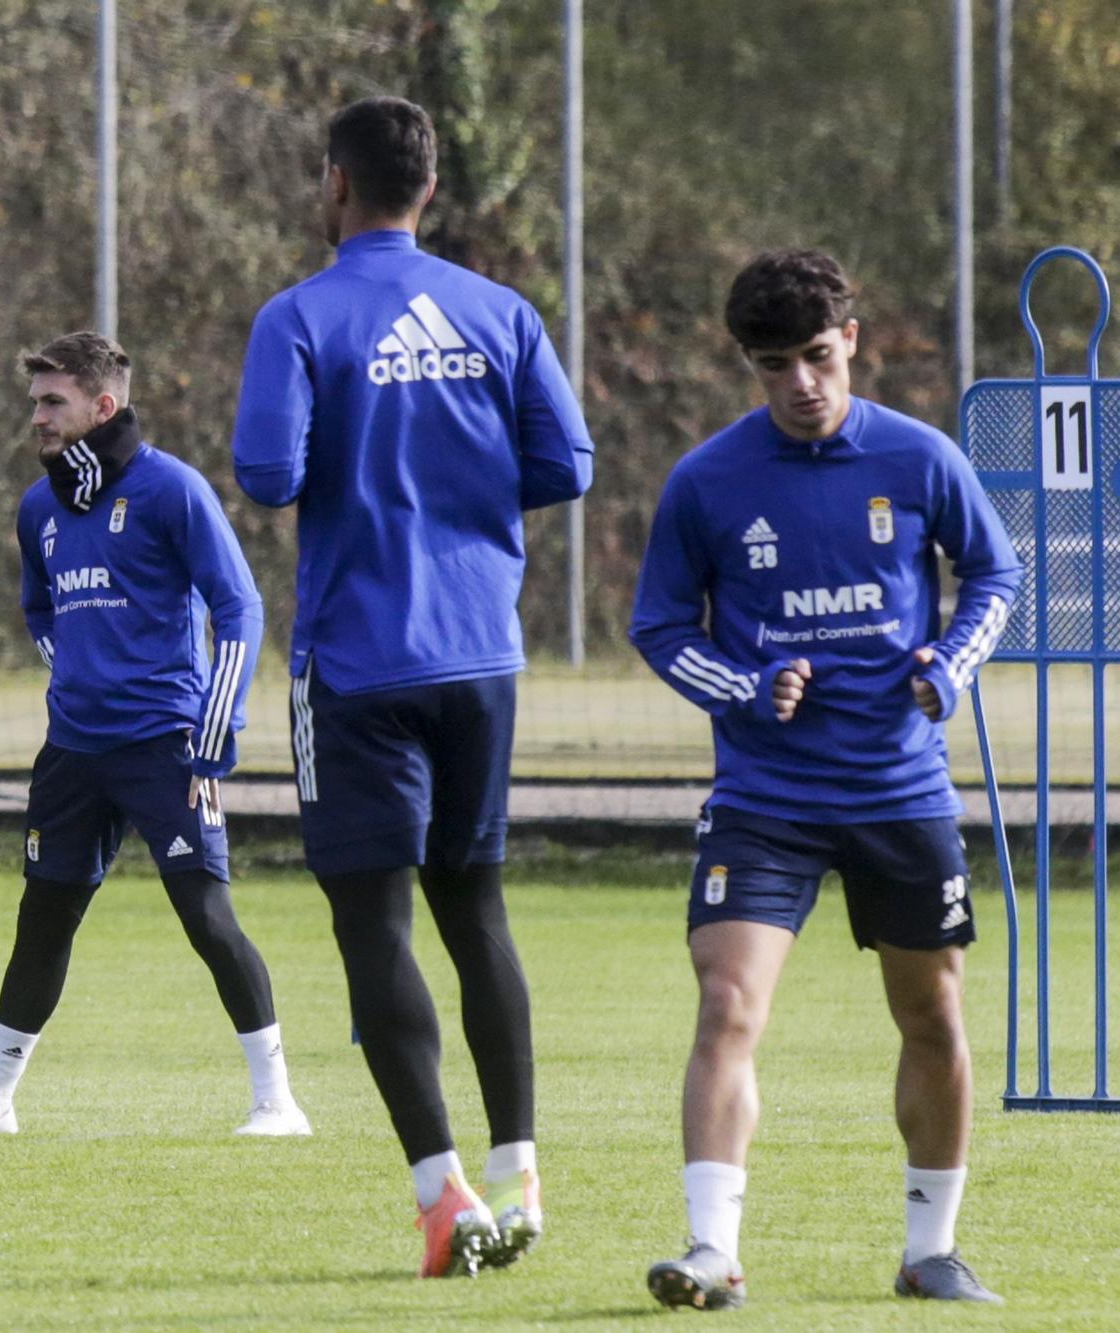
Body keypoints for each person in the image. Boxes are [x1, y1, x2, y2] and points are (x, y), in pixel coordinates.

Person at [230, 96, 595, 1277]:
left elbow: (267, 471)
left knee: (371, 924)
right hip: (479, 653)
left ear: (334, 183)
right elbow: (566, 462)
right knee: (475, 909)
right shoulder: (499, 311)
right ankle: (517, 1167)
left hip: (358, 660)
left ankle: (443, 1202)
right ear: (427, 189)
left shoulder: (299, 316)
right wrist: (458, 488)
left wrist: (365, 459)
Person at [629, 248, 1021, 1307]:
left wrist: (950, 665)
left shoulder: (919, 456)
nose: (799, 383)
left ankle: (928, 1249)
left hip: (897, 787)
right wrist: (744, 689)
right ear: (749, 367)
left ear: (849, 339)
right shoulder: (708, 480)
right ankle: (710, 1248)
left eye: (813, 355)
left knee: (930, 1013)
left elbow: (993, 571)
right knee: (725, 1001)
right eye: (772, 365)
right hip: (764, 799)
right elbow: (659, 625)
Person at [0, 332, 307, 1139]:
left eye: (53, 402)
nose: (36, 416)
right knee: (42, 922)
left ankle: (276, 1102)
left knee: (207, 918)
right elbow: (40, 608)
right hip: (73, 750)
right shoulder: (38, 506)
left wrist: (216, 724)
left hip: (166, 746)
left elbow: (240, 606)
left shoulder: (171, 489)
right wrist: (74, 668)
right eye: (35, 400)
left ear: (102, 406)